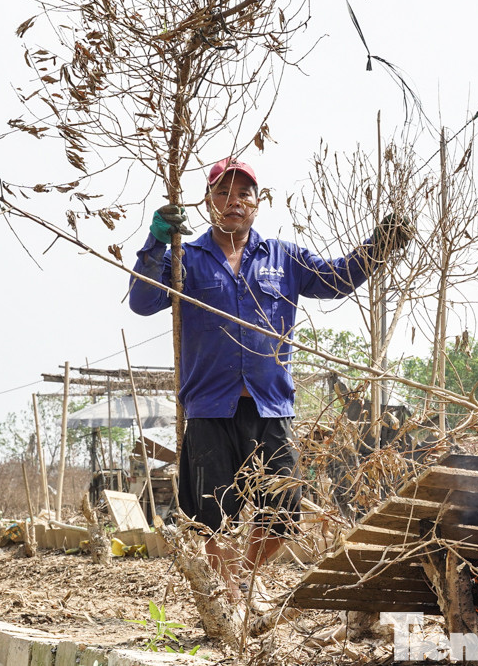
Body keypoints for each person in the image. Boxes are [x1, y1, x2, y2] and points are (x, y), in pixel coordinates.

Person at [128, 157, 410, 604]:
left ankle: (243, 577)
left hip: (269, 406)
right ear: (207, 201)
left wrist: (379, 247)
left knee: (282, 513)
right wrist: (157, 242)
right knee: (210, 515)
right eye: (223, 193)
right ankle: (232, 593)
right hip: (209, 407)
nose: (233, 202)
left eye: (244, 194)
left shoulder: (284, 258)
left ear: (258, 203)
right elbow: (142, 302)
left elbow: (337, 279)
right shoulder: (189, 259)